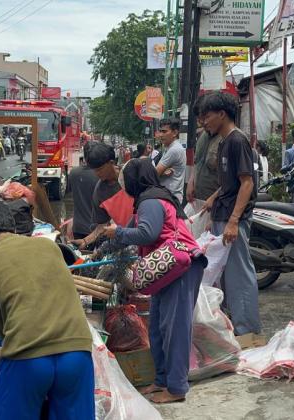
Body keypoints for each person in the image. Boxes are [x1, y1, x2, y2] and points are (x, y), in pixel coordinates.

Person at [0, 201, 94, 419]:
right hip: (77, 352)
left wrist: (6, 348)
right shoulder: (49, 247)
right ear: (12, 227)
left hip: (27, 359)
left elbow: (2, 327)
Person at [102, 158, 205, 404]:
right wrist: (99, 248)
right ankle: (161, 380)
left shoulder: (150, 200)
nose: (122, 183)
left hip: (180, 267)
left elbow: (147, 233)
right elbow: (127, 233)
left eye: (124, 178)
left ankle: (177, 388)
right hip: (165, 269)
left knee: (175, 329)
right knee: (158, 327)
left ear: (135, 179)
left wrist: (116, 232)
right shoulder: (149, 199)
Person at [200, 91, 261, 336]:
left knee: (239, 275)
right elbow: (229, 183)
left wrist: (234, 221)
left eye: (207, 116)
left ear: (222, 114)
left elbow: (247, 183)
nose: (204, 122)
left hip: (233, 218)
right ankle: (235, 323)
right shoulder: (224, 141)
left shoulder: (237, 141)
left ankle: (248, 331)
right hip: (222, 214)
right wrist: (213, 201)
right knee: (225, 275)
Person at [72, 142, 134, 250]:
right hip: (126, 239)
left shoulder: (132, 175)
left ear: (111, 162)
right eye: (94, 170)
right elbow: (102, 225)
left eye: (99, 169)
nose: (97, 174)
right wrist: (85, 240)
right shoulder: (100, 192)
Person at [187, 96, 223, 204]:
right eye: (199, 118)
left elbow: (234, 181)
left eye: (205, 117)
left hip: (218, 204)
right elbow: (196, 162)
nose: (202, 122)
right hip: (199, 201)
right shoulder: (203, 136)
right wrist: (191, 181)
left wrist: (214, 198)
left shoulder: (228, 139)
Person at [68, 149, 99, 243]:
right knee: (95, 256)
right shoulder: (101, 174)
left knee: (80, 256)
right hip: (97, 229)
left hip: (78, 227)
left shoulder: (73, 172)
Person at [155, 118, 186, 203]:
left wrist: (160, 173)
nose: (161, 135)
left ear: (175, 133)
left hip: (171, 198)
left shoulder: (174, 149)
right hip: (169, 196)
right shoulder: (169, 148)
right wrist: (163, 173)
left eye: (164, 132)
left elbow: (154, 173)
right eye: (160, 131)